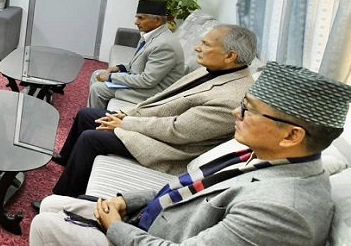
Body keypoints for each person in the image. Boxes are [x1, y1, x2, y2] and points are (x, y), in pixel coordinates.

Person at [0, 61, 351, 246]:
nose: (236, 113)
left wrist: (116, 229)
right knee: (55, 204)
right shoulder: (265, 157)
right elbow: (185, 187)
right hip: (154, 230)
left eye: (249, 110)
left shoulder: (284, 209)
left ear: (292, 135)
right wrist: (125, 200)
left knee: (46, 226)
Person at [46, 25, 257, 202]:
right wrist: (126, 115)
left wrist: (126, 123)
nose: (197, 48)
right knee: (87, 115)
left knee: (92, 139)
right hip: (159, 128)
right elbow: (165, 100)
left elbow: (178, 131)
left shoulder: (230, 98)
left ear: (230, 56)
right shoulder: (211, 70)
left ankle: (63, 198)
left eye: (206, 44)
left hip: (171, 149)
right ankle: (68, 160)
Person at [87, 0, 185, 109]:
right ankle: (90, 112)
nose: (136, 22)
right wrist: (121, 68)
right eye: (137, 17)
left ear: (157, 20)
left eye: (141, 18)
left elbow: (147, 81)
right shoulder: (150, 35)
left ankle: (92, 117)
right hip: (145, 85)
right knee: (97, 75)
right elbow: (140, 65)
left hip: (154, 92)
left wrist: (110, 77)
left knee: (98, 89)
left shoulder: (164, 45)